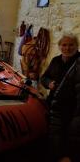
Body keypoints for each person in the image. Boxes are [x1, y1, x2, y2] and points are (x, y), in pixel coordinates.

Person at [41, 33, 80, 162]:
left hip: (72, 109)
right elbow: (44, 78)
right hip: (54, 105)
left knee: (68, 139)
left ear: (77, 46)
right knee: (53, 137)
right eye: (64, 45)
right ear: (59, 46)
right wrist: (49, 83)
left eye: (71, 45)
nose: (67, 48)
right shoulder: (56, 61)